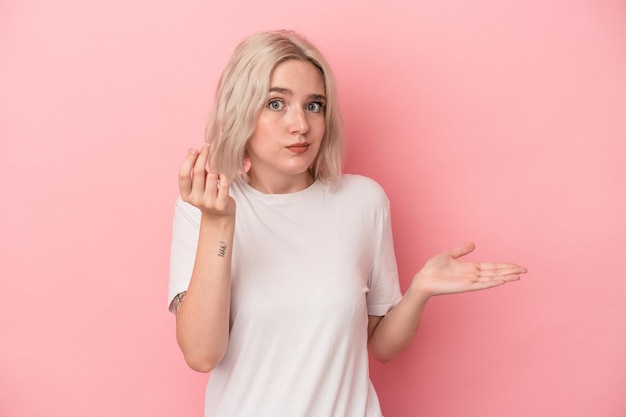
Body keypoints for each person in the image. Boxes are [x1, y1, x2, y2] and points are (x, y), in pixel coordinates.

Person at [168, 30, 527, 417]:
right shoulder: (203, 208)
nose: (301, 125)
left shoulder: (363, 201)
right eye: (276, 103)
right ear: (240, 110)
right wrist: (220, 223)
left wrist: (419, 291)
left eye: (314, 105)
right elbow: (202, 354)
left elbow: (381, 346)